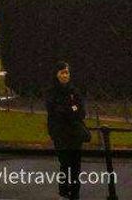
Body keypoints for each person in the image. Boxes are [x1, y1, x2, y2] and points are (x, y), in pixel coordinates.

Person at [46, 62, 88, 200]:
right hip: (60, 134)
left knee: (76, 164)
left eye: (67, 72)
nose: (65, 75)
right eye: (62, 72)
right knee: (65, 163)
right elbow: (55, 112)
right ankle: (64, 191)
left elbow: (81, 111)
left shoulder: (74, 91)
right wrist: (71, 109)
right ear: (56, 74)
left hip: (75, 133)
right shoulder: (52, 92)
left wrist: (69, 110)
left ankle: (75, 193)